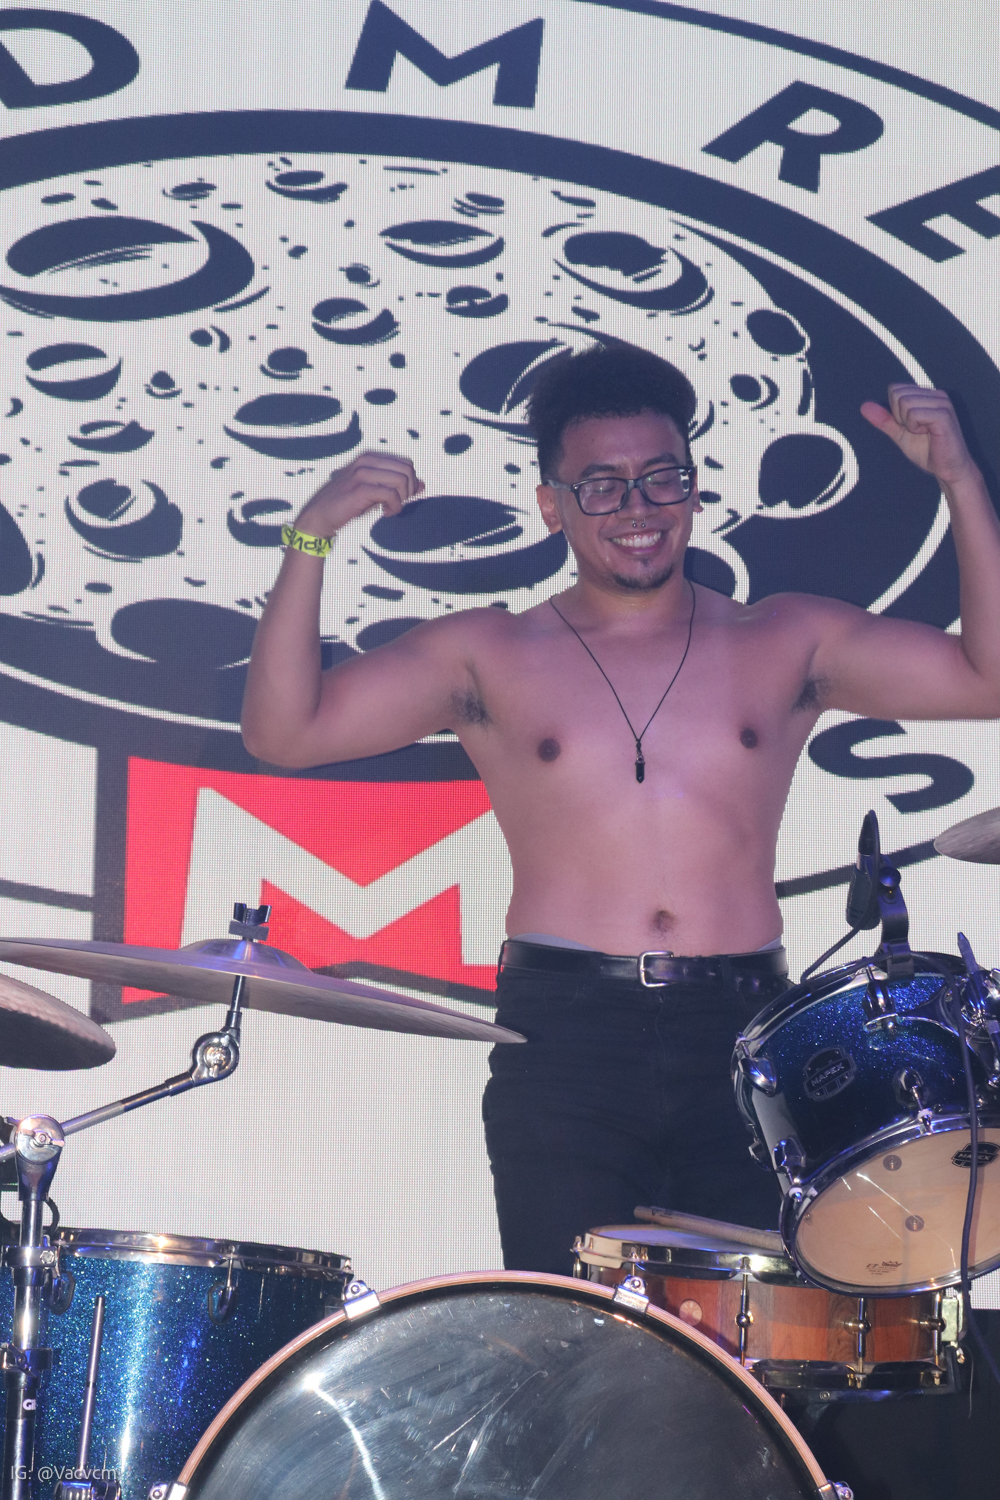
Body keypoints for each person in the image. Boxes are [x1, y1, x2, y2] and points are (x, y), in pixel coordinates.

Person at [241, 344, 1000, 1275]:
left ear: (693, 488)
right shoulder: (489, 653)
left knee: (749, 1341)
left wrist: (960, 480)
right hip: (568, 1040)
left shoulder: (785, 636)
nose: (638, 509)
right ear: (551, 504)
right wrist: (309, 537)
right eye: (602, 486)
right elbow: (284, 731)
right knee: (572, 1333)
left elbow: (987, 677)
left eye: (661, 478)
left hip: (747, 1038)